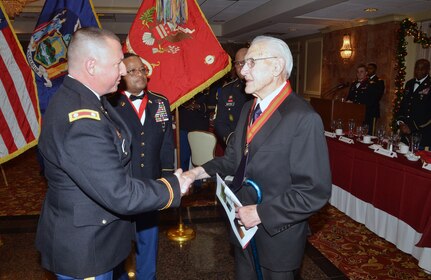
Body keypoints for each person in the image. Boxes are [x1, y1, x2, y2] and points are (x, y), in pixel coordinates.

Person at [35, 27, 194, 280]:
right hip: (87, 251)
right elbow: (119, 193)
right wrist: (173, 186)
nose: (123, 71)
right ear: (91, 66)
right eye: (118, 63)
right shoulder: (82, 120)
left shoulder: (83, 99)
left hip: (94, 235)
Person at [185, 35, 331, 279]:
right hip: (242, 227)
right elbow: (233, 160)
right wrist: (196, 172)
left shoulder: (303, 118)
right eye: (243, 64)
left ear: (276, 67)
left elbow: (313, 192)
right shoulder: (249, 108)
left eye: (252, 62)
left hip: (277, 236)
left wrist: (261, 214)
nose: (243, 71)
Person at [108, 53, 174, 280]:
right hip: (122, 184)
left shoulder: (160, 102)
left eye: (142, 70)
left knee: (149, 235)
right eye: (132, 71)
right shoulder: (109, 104)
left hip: (150, 182)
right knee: (120, 237)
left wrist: (166, 177)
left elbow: (166, 143)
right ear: (121, 75)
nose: (140, 75)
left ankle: (148, 276)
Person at [214, 48, 251, 146]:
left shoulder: (263, 89)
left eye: (243, 62)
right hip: (234, 147)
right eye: (237, 63)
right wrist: (232, 141)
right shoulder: (227, 90)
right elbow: (220, 122)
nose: (240, 67)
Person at [396, 58, 431, 149]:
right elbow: (403, 105)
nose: (418, 71)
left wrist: (411, 127)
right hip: (405, 133)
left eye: (422, 68)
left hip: (421, 134)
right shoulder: (409, 83)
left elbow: (428, 114)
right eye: (416, 68)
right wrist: (401, 122)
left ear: (428, 70)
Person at [346, 64, 381, 134]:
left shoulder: (371, 84)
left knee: (367, 135)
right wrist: (348, 102)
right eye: (358, 72)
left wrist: (357, 105)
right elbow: (349, 97)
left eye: (361, 71)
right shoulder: (353, 84)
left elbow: (373, 100)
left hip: (368, 114)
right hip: (356, 113)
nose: (359, 73)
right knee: (356, 133)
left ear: (366, 73)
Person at [367, 62, 385, 127]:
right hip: (363, 109)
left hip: (372, 110)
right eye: (367, 68)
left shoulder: (378, 81)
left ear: (374, 70)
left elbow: (378, 95)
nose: (368, 70)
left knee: (371, 129)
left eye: (370, 68)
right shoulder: (365, 80)